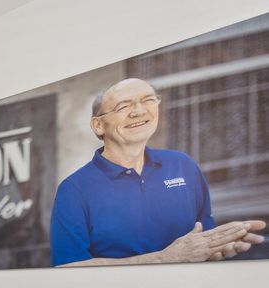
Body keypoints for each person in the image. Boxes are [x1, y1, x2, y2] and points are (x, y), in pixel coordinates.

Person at [50, 78, 265, 267]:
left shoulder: (183, 165)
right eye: (123, 106)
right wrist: (164, 259)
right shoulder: (74, 190)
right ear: (98, 125)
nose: (139, 111)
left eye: (149, 100)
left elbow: (202, 241)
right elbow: (68, 268)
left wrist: (218, 246)